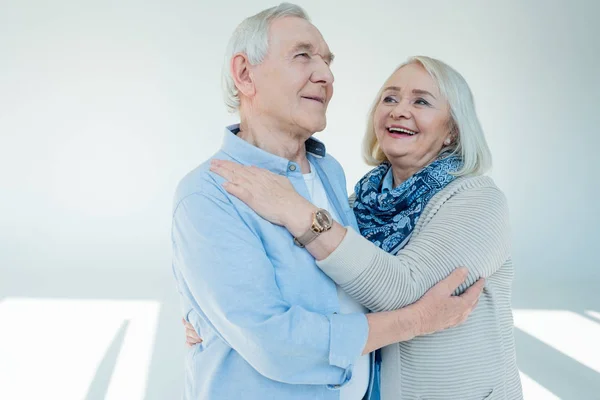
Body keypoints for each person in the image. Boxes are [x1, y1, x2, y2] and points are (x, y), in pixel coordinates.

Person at [171, 3, 484, 400]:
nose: (326, 74)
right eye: (303, 55)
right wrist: (417, 320)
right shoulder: (207, 195)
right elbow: (276, 344)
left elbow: (356, 283)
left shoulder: (329, 172)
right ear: (245, 74)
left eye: (327, 61)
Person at [205, 55, 524, 399]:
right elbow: (317, 285)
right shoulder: (363, 200)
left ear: (452, 130)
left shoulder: (477, 200)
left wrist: (296, 210)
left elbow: (402, 289)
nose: (399, 110)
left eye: (421, 101)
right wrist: (216, 319)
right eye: (390, 98)